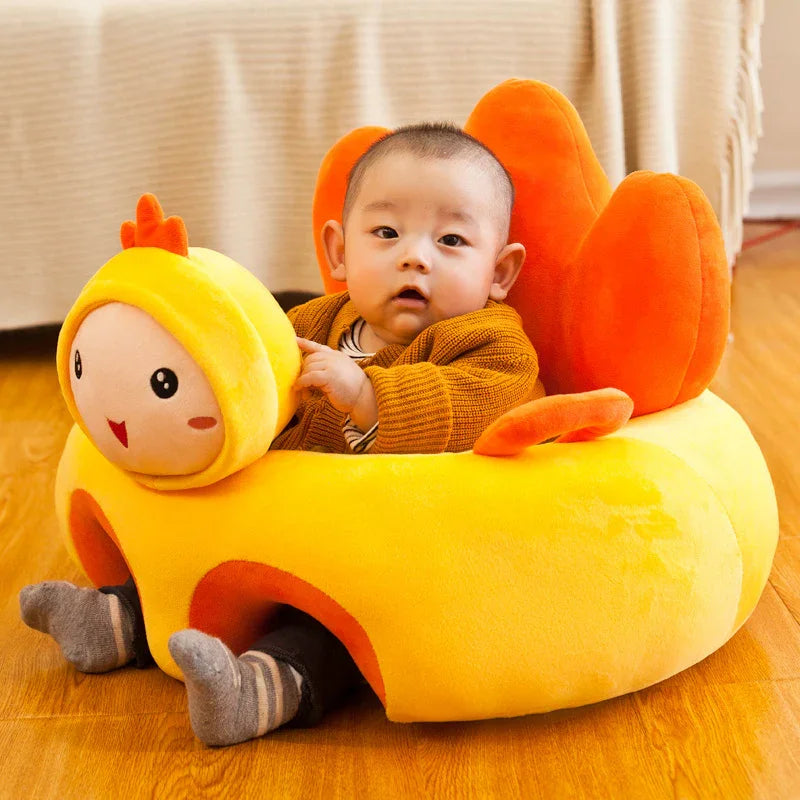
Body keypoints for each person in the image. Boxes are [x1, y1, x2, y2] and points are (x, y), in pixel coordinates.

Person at [20, 122, 544, 745]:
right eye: (386, 233)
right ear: (339, 252)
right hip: (278, 530)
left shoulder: (492, 344)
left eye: (452, 239)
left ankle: (263, 689)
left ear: (500, 271)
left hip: (373, 558)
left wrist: (366, 395)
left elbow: (479, 404)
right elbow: (251, 384)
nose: (415, 255)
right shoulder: (309, 324)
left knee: (325, 632)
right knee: (196, 546)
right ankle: (120, 617)